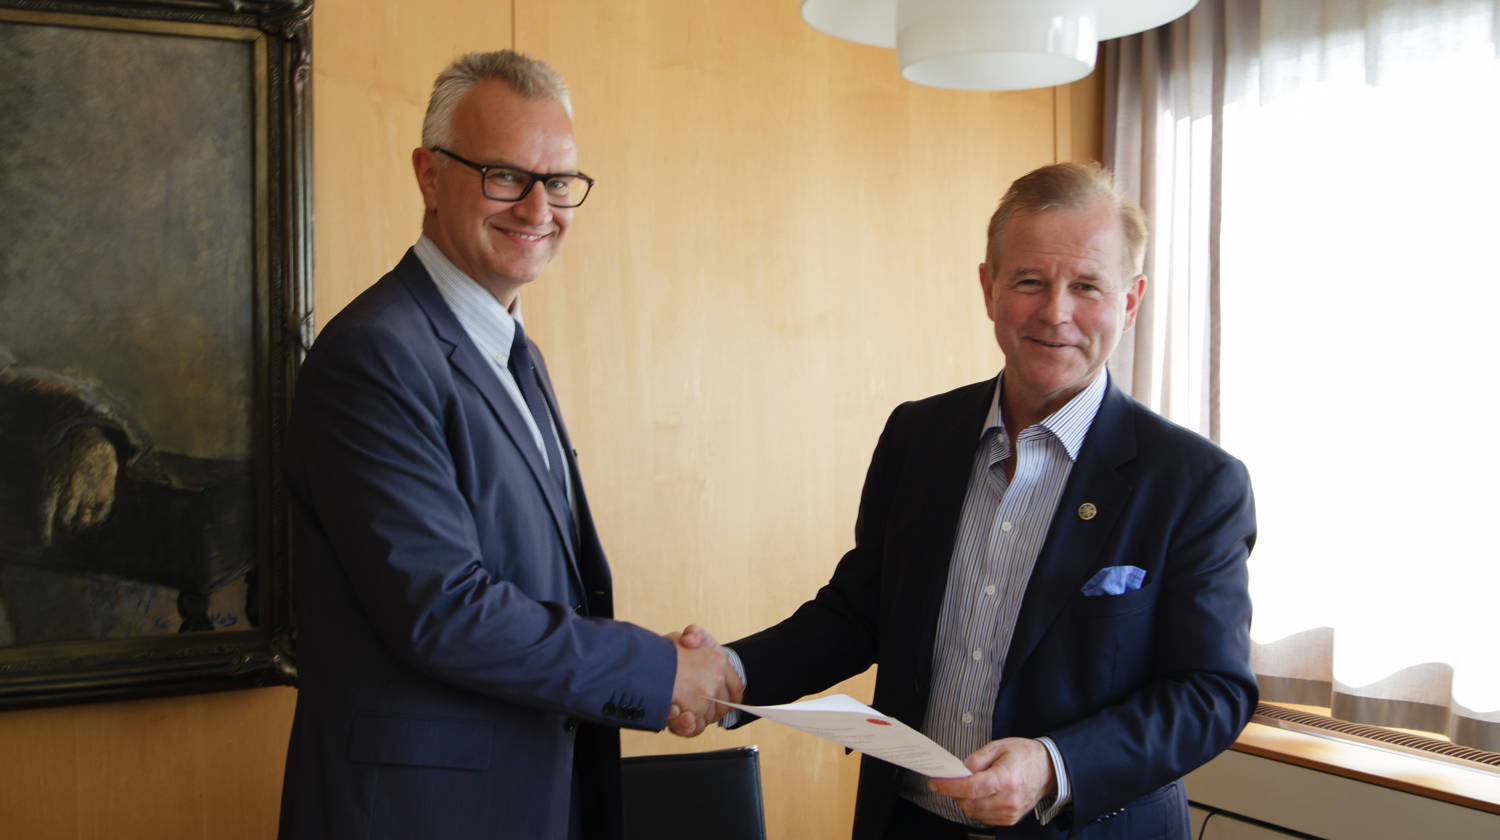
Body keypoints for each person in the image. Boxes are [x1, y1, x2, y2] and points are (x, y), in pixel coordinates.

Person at [680, 162, 1256, 839]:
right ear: (989, 289)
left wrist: (1052, 764)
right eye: (1030, 281)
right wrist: (730, 673)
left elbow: (1211, 694)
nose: (1055, 312)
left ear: (1130, 302)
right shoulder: (918, 437)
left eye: (1088, 287)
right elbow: (858, 615)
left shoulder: (1195, 482)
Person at [275, 51, 740, 840]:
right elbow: (444, 611)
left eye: (558, 182)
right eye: (503, 175)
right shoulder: (375, 356)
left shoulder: (508, 349)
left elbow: (535, 585)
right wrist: (654, 672)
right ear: (427, 175)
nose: (538, 208)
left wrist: (657, 670)